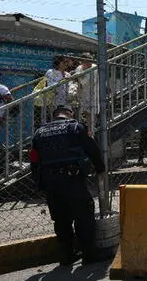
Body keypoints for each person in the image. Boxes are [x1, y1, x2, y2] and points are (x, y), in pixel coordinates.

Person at [29, 105, 105, 266]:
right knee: (83, 216)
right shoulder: (75, 127)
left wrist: (40, 182)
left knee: (61, 219)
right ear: (69, 114)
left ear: (54, 115)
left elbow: (34, 159)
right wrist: (100, 168)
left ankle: (66, 255)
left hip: (51, 183)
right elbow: (92, 149)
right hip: (73, 180)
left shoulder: (39, 132)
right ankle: (88, 254)